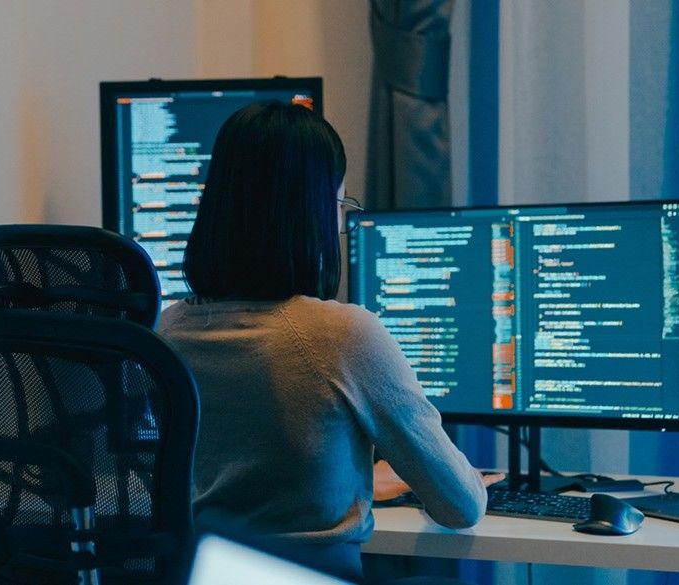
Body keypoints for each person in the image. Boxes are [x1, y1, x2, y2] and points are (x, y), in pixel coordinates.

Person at [158, 101, 502, 581]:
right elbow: (460, 504)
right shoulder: (343, 334)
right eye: (339, 207)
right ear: (313, 213)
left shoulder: (168, 332)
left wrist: (356, 482)